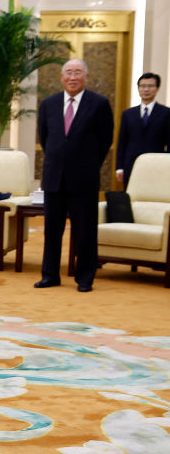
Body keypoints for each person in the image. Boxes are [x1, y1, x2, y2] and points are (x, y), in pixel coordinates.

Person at [35, 58, 113, 293]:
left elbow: (105, 140)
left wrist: (87, 164)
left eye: (78, 72)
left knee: (85, 230)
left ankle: (85, 277)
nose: (72, 77)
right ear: (62, 77)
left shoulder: (99, 104)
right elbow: (45, 138)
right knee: (52, 230)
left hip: (84, 178)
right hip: (54, 178)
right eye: (68, 72)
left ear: (86, 77)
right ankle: (50, 275)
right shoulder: (49, 104)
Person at [116, 72, 170, 187]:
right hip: (131, 165)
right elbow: (122, 142)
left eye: (150, 86)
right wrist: (119, 167)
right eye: (142, 86)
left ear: (157, 88)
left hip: (156, 165)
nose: (146, 89)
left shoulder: (166, 113)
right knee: (130, 195)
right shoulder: (128, 114)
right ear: (138, 88)